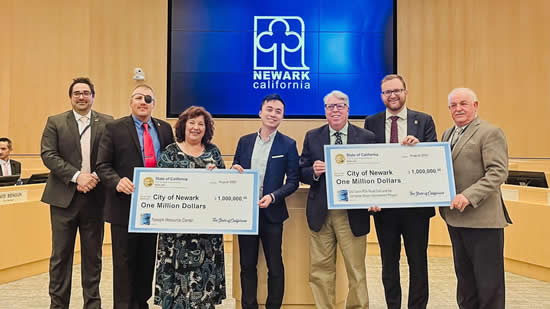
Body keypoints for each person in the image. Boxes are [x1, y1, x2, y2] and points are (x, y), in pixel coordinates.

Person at [96, 84, 174, 309]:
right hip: (124, 208)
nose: (143, 102)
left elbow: (173, 163)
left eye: (148, 99)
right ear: (131, 102)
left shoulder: (165, 129)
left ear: (154, 104)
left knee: (146, 261)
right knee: (124, 262)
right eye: (138, 98)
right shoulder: (114, 128)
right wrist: (117, 181)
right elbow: (102, 165)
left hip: (153, 209)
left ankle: (141, 303)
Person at [364, 74, 437, 309]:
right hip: (385, 208)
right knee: (389, 263)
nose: (392, 95)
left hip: (416, 207)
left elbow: (433, 159)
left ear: (406, 92)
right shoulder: (371, 122)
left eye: (397, 90)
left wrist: (420, 147)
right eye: (387, 92)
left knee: (418, 263)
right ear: (381, 95)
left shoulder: (424, 121)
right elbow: (368, 163)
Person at [40, 77, 113, 309]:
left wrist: (95, 177)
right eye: (77, 93)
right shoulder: (55, 122)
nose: (81, 97)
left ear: (93, 96)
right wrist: (77, 176)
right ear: (70, 97)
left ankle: (92, 305)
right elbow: (48, 155)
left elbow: (112, 156)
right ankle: (58, 305)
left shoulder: (108, 122)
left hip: (96, 198)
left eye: (86, 93)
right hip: (63, 200)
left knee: (93, 258)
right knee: (60, 257)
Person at [299, 90, 375, 309]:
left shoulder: (366, 138)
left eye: (340, 105)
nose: (335, 110)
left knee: (356, 271)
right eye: (330, 106)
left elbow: (376, 174)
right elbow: (301, 170)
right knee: (320, 271)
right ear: (325, 111)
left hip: (353, 213)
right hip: (321, 213)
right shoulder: (312, 136)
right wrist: (313, 171)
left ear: (348, 109)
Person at [440, 88, 512, 309]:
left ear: (475, 106)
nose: (458, 109)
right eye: (453, 105)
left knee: (489, 284)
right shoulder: (447, 134)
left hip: (483, 222)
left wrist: (469, 196)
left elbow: (497, 172)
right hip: (455, 219)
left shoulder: (490, 132)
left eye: (463, 103)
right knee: (465, 281)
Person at [153, 106, 226, 309]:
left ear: (206, 128)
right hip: (175, 233)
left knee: (204, 290)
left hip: (206, 236)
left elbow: (224, 190)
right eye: (191, 123)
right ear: (183, 125)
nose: (195, 127)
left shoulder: (213, 152)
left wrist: (221, 176)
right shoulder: (169, 152)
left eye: (200, 124)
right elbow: (159, 188)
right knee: (176, 292)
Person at [232, 94, 299, 309]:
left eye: (278, 111)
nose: (273, 114)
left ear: (283, 116)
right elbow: (235, 170)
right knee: (247, 265)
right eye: (269, 109)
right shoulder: (244, 141)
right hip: (246, 214)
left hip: (273, 213)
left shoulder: (288, 144)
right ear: (260, 112)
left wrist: (273, 196)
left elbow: (294, 181)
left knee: (275, 266)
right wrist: (234, 171)